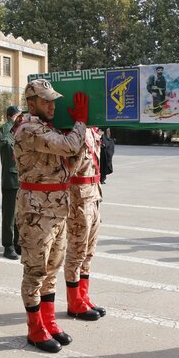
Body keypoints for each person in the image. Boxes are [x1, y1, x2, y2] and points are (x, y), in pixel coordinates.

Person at [15, 79, 90, 353]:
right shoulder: (29, 129)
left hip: (58, 208)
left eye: (53, 100)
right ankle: (35, 329)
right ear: (31, 102)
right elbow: (69, 146)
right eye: (45, 100)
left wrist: (80, 136)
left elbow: (71, 163)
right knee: (35, 270)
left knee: (52, 268)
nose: (51, 105)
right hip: (36, 211)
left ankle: (48, 322)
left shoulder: (49, 128)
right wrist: (80, 123)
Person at [65, 126, 104, 321]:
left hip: (93, 194)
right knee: (77, 252)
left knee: (89, 252)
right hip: (79, 199)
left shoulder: (93, 131)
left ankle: (83, 296)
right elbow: (71, 168)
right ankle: (74, 302)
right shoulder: (75, 132)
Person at [0, 105, 22, 260]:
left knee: (20, 216)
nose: (21, 119)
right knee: (9, 216)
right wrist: (10, 121)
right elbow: (0, 138)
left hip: (23, 181)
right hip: (11, 182)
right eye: (18, 116)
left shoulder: (21, 134)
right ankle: (8, 246)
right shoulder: (6, 136)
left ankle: (18, 243)